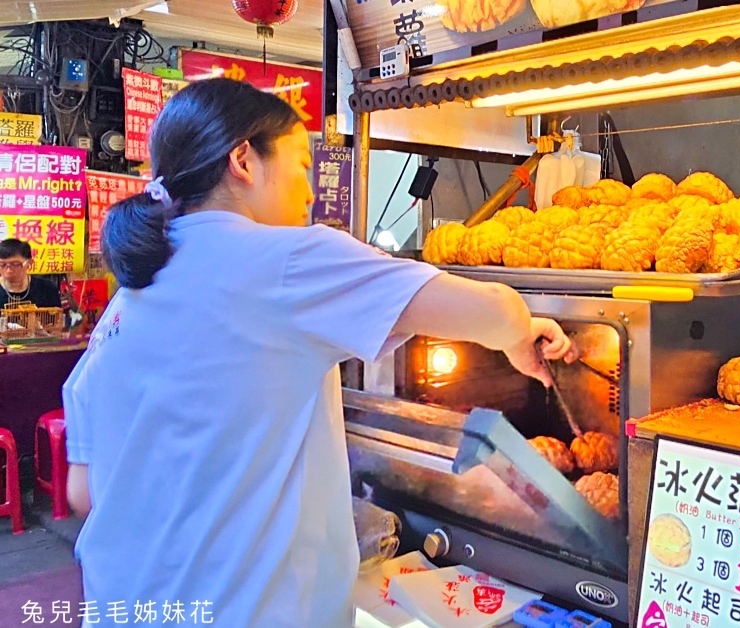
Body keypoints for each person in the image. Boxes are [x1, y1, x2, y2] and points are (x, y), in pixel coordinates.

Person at [62, 78, 576, 627]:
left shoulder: (126, 304)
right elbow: (492, 312)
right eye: (302, 165)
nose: (310, 193)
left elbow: (84, 493)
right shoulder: (284, 259)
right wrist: (522, 330)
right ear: (243, 160)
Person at [0, 238, 64, 308]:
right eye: (2, 264)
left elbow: (57, 317)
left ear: (29, 263)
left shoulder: (47, 288)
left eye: (15, 264)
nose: (8, 270)